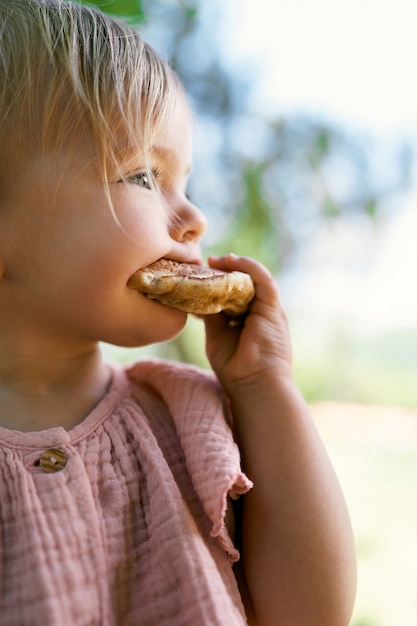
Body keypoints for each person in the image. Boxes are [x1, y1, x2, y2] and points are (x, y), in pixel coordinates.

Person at [0, 1, 356, 624]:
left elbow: (312, 612)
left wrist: (265, 386)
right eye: (142, 174)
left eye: (185, 180)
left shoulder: (190, 418)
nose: (194, 218)